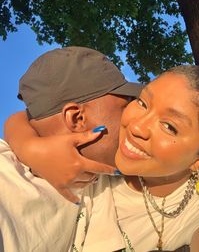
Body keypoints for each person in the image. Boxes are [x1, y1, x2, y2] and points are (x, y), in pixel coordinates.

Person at [5, 64, 199, 251]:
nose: (137, 126)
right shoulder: (101, 154)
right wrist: (32, 148)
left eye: (168, 126)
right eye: (143, 102)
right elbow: (23, 118)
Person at [0, 46, 142, 252]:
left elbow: (20, 119)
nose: (137, 116)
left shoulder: (98, 180)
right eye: (126, 104)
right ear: (77, 118)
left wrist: (30, 147)